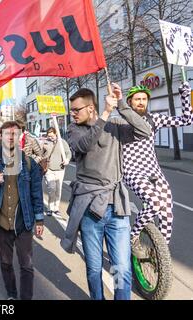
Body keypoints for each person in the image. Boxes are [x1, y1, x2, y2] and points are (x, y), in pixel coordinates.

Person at [63, 85, 151, 300]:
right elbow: (85, 145)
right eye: (71, 110)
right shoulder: (74, 130)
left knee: (122, 266)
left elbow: (144, 131)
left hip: (117, 206)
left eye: (76, 110)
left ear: (90, 108)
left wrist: (121, 104)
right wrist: (104, 114)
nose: (72, 114)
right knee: (94, 268)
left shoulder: (116, 125)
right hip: (89, 207)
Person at [123, 83, 192, 258]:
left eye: (144, 99)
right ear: (129, 102)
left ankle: (160, 253)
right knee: (154, 203)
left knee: (167, 210)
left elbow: (186, 120)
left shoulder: (155, 119)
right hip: (132, 170)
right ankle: (133, 236)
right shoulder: (121, 121)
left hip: (153, 170)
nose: (141, 102)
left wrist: (185, 95)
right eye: (137, 99)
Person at [0, 121, 44, 300]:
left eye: (15, 133)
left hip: (23, 222)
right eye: (7, 133)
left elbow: (36, 193)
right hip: (1, 223)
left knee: (26, 265)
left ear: (20, 136)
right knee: (5, 262)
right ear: (1, 136)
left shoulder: (29, 163)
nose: (11, 137)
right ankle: (12, 294)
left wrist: (39, 220)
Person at [41, 127, 72, 216]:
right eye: (49, 136)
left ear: (56, 134)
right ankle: (50, 208)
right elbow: (40, 153)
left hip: (60, 169)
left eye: (52, 136)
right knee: (51, 188)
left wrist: (67, 159)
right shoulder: (45, 142)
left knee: (58, 190)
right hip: (49, 169)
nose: (50, 138)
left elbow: (68, 153)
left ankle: (56, 208)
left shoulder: (62, 142)